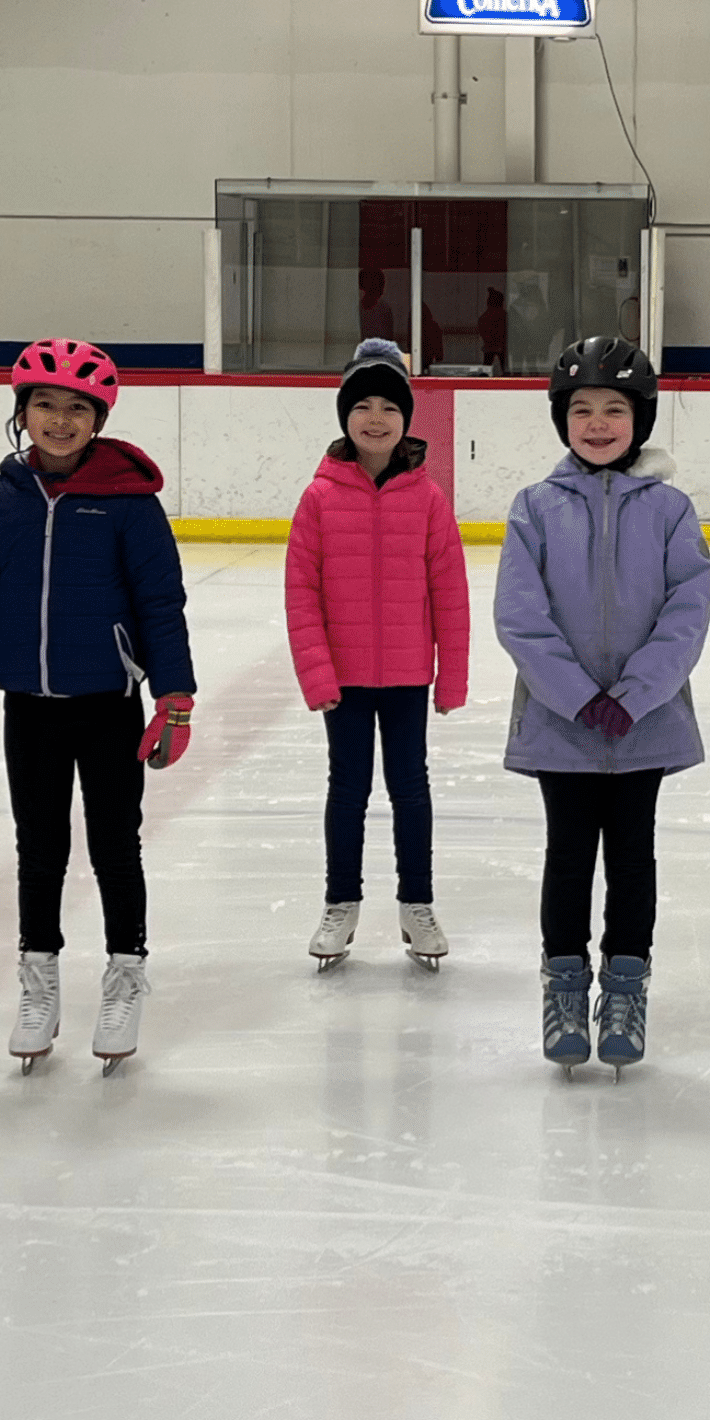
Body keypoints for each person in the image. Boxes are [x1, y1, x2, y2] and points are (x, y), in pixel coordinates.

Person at [0, 338, 195, 1073]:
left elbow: (159, 603)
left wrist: (173, 700)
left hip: (108, 703)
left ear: (98, 419)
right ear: (22, 413)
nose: (60, 419)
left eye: (78, 408)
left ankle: (124, 973)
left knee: (116, 846)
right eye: (45, 404)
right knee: (38, 849)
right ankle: (38, 980)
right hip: (29, 708)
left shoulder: (129, 505)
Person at [493, 338, 710, 1071]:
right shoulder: (534, 509)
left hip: (643, 726)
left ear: (639, 420)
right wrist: (579, 698)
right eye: (581, 409)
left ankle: (625, 987)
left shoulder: (673, 512)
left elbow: (688, 611)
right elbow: (521, 618)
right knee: (567, 856)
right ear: (562, 420)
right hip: (564, 726)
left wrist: (637, 695)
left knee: (633, 858)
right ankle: (563, 987)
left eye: (613, 409)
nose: (596, 423)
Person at [285, 339, 471, 970]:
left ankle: (416, 904)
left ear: (405, 420)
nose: (375, 418)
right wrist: (316, 675)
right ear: (344, 416)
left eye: (389, 407)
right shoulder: (318, 498)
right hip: (343, 677)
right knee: (348, 788)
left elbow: (451, 593)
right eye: (361, 405)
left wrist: (451, 678)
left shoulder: (427, 498)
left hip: (407, 675)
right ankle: (341, 904)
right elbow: (300, 593)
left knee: (410, 788)